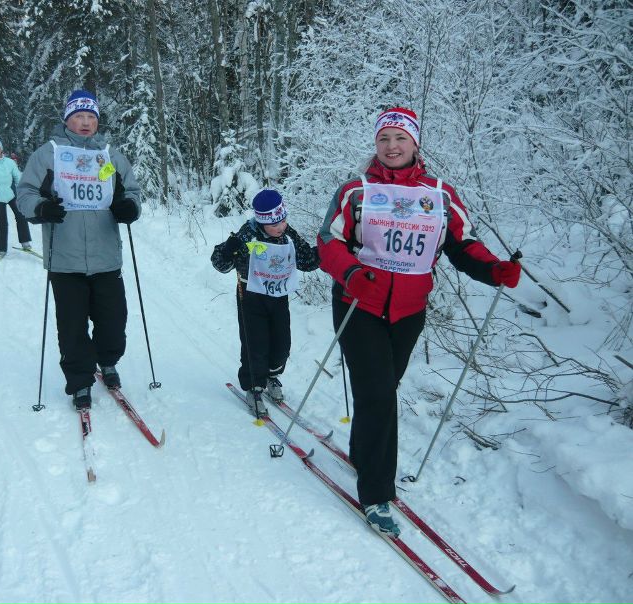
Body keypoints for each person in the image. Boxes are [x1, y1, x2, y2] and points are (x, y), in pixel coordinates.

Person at [317, 107, 522, 537]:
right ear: (376, 145)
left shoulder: (440, 195)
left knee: (382, 389)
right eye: (384, 139)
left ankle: (362, 449)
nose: (392, 147)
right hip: (359, 304)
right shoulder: (357, 191)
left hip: (409, 311)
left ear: (415, 143)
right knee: (377, 393)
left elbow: (462, 244)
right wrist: (352, 273)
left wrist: (494, 270)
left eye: (400, 139)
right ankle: (376, 493)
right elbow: (328, 241)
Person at [17, 89, 141, 410]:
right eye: (79, 117)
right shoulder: (49, 154)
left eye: (91, 117)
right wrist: (42, 208)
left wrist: (128, 207)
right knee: (71, 326)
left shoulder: (110, 156)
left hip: (106, 256)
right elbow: (25, 193)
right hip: (64, 258)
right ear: (67, 119)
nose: (85, 123)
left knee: (113, 321)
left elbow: (131, 190)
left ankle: (108, 360)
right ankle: (80, 380)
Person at [211, 190, 320, 417]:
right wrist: (228, 250)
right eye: (274, 224)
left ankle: (272, 376)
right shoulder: (248, 235)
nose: (280, 227)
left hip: (279, 297)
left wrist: (329, 252)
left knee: (282, 344)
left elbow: (307, 260)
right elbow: (220, 263)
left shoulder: (288, 235)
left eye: (283, 221)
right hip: (251, 297)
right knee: (255, 344)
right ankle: (254, 385)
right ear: (262, 222)